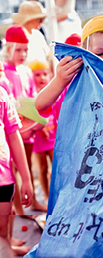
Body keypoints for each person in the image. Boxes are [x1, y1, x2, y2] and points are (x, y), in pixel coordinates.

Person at [34, 15, 103, 258]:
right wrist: (59, 80)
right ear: (85, 52)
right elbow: (40, 104)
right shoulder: (75, 80)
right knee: (85, 216)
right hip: (81, 168)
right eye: (99, 53)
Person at [3, 25, 47, 213]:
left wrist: (37, 122)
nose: (22, 54)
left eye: (25, 50)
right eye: (18, 50)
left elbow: (32, 98)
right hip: (11, 129)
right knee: (10, 170)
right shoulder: (3, 72)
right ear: (8, 49)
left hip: (28, 128)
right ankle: (17, 207)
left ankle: (32, 201)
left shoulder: (27, 72)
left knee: (26, 164)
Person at [0, 86, 33, 256]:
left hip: (3, 180)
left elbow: (13, 135)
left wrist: (26, 179)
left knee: (2, 230)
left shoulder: (2, 94)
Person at [29, 59, 56, 203]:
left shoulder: (53, 90)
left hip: (52, 136)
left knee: (56, 167)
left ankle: (55, 196)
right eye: (37, 75)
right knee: (43, 168)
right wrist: (40, 126)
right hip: (39, 137)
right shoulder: (32, 93)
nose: (42, 78)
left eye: (45, 74)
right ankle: (46, 198)